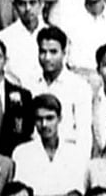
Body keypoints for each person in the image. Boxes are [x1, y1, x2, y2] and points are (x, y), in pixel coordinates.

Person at [12, 93, 87, 196]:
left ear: (59, 118)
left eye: (49, 118)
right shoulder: (22, 152)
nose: (44, 124)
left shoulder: (75, 152)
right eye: (39, 119)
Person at [28, 25, 93, 158]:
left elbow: (84, 135)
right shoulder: (30, 85)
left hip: (67, 158)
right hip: (35, 157)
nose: (47, 58)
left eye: (53, 52)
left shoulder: (79, 87)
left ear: (64, 53)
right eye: (43, 52)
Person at [0, 0, 47, 88]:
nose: (28, 8)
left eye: (32, 3)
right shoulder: (4, 37)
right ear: (14, 6)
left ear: (41, 4)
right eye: (22, 4)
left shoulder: (50, 35)